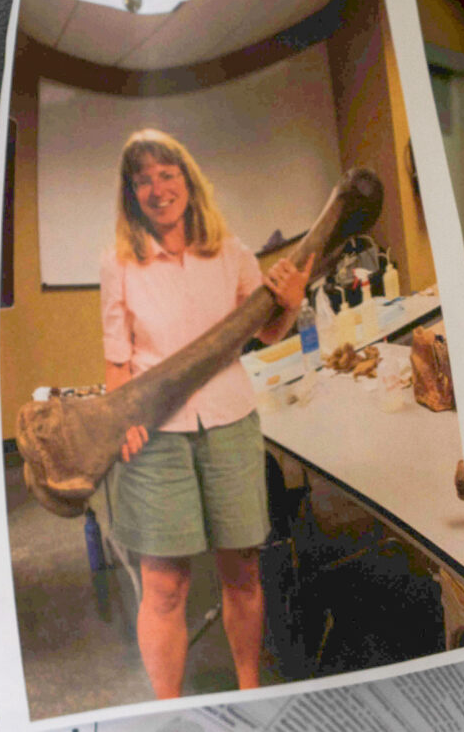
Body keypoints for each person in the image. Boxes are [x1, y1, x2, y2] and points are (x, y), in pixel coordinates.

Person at [100, 128, 311, 698]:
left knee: (241, 571)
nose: (157, 187)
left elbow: (266, 329)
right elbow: (118, 362)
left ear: (188, 182)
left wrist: (289, 303)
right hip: (156, 436)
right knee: (164, 584)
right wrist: (125, 418)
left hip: (229, 422)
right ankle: (166, 711)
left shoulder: (232, 252)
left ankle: (249, 693)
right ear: (131, 195)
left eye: (167, 174)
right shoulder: (118, 265)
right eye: (142, 179)